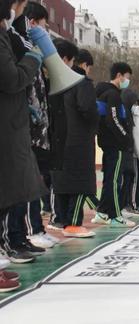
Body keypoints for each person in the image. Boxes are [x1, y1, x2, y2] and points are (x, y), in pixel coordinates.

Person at [0, 0, 50, 290]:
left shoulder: (7, 35)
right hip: (6, 127)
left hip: (11, 125)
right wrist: (33, 58)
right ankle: (14, 238)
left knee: (11, 190)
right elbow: (12, 79)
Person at [7, 0, 57, 251]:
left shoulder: (21, 40)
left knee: (31, 182)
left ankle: (24, 234)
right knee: (21, 184)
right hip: (19, 124)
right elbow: (15, 78)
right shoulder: (15, 38)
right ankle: (21, 234)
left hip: (33, 126)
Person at [50, 46, 99, 238]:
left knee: (62, 183)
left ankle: (61, 220)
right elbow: (87, 109)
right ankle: (73, 223)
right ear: (83, 64)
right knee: (80, 183)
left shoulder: (55, 82)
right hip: (78, 141)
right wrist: (96, 121)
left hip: (58, 140)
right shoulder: (81, 83)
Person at [92, 62, 135, 227]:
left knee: (109, 178)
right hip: (115, 144)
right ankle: (115, 215)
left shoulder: (102, 93)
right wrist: (125, 138)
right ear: (119, 75)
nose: (127, 81)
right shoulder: (113, 95)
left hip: (107, 142)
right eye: (127, 77)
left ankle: (102, 212)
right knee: (115, 180)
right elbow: (114, 119)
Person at [120, 89, 139, 216]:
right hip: (124, 151)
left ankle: (127, 204)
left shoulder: (130, 114)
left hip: (129, 150)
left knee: (130, 178)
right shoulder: (122, 112)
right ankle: (122, 206)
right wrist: (127, 140)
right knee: (124, 180)